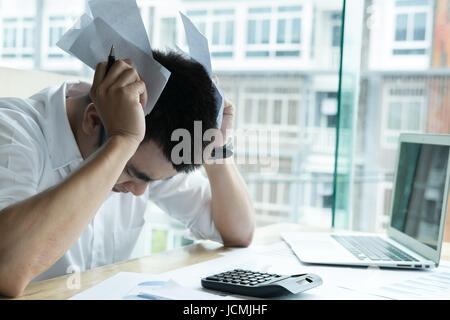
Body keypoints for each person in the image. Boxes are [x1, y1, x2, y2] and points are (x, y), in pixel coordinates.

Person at [0, 50, 255, 297]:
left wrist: (216, 147)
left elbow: (237, 232)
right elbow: (6, 270)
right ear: (94, 120)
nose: (139, 190)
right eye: (131, 172)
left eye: (151, 181)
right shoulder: (12, 133)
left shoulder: (148, 157)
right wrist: (122, 141)